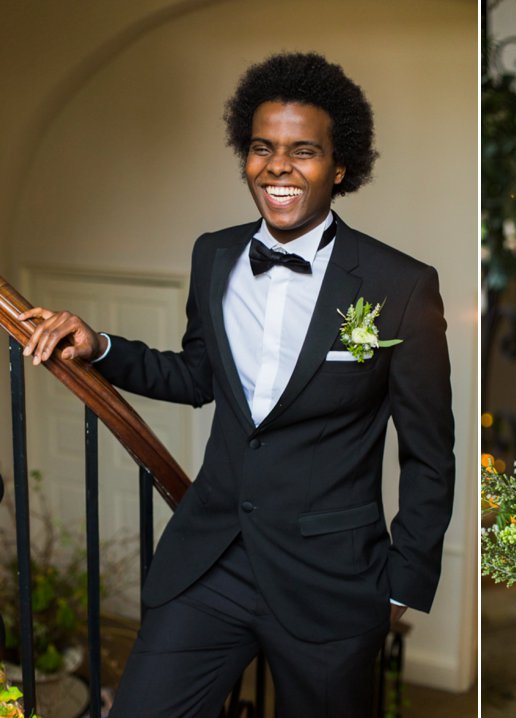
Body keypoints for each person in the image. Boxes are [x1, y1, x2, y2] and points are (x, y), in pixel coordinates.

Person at [18, 52, 455, 717]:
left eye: (302, 151)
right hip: (211, 562)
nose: (278, 166)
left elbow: (430, 454)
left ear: (340, 168)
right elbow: (195, 374)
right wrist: (99, 345)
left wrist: (404, 583)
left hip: (331, 582)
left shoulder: (401, 285)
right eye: (262, 148)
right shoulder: (214, 254)